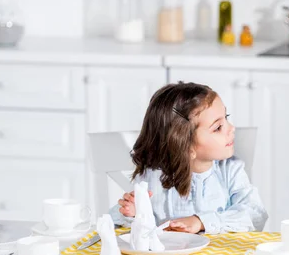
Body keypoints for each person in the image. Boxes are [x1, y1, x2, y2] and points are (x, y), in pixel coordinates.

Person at [110, 82, 268, 234]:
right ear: (186, 147)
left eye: (226, 117)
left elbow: (255, 214)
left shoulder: (230, 170)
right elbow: (121, 222)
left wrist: (201, 222)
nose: (232, 128)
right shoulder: (152, 176)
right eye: (218, 127)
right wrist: (132, 214)